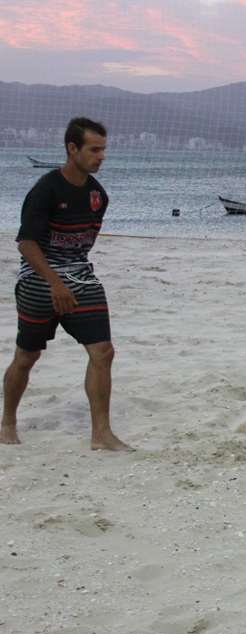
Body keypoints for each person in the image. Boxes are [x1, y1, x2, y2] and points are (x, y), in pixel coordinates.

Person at [1, 117, 130, 450]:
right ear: (72, 149)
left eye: (103, 149)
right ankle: (8, 423)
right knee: (27, 356)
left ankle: (101, 434)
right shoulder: (46, 189)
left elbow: (83, 244)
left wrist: (72, 279)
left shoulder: (98, 196)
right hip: (38, 279)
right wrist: (55, 283)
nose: (101, 156)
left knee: (103, 352)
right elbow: (26, 244)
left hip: (81, 277)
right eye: (94, 149)